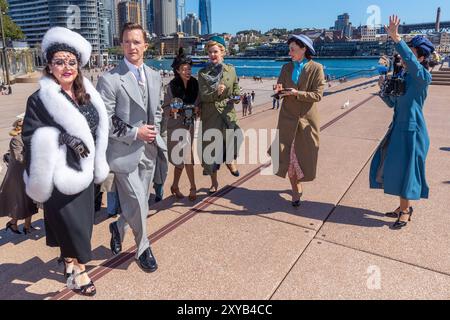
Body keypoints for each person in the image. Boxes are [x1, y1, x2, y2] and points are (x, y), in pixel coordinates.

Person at [22, 27, 110, 297]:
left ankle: (70, 262)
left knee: (83, 224)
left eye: (71, 62)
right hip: (60, 175)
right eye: (59, 62)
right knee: (71, 226)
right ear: (49, 65)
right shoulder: (39, 99)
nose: (66, 67)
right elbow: (29, 135)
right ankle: (79, 272)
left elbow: (100, 125)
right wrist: (63, 139)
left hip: (86, 172)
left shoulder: (88, 94)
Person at [96, 23, 167, 273]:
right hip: (123, 152)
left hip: (149, 149)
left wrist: (154, 132)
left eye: (136, 42)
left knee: (141, 203)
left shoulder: (156, 75)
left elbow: (157, 110)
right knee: (138, 201)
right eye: (127, 41)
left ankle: (118, 227)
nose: (131, 46)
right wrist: (135, 132)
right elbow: (103, 118)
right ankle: (143, 247)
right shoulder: (109, 79)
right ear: (121, 44)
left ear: (145, 45)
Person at [370, 16, 435, 230]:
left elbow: (412, 63)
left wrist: (396, 38)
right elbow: (392, 104)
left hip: (412, 131)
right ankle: (402, 206)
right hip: (398, 128)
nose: (402, 55)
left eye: (411, 51)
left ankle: (406, 210)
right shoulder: (405, 78)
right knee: (396, 168)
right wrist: (383, 88)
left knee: (407, 170)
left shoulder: (421, 76)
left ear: (421, 56)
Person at [269, 34, 325, 207]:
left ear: (304, 49)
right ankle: (295, 188)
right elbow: (279, 87)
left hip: (307, 121)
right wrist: (279, 91)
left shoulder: (316, 68)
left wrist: (296, 93)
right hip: (287, 118)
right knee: (289, 155)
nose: (290, 52)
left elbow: (317, 95)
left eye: (293, 49)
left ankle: (298, 184)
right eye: (289, 49)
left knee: (303, 155)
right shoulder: (286, 67)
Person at [198, 36, 242, 194]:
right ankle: (214, 182)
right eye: (210, 52)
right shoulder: (203, 73)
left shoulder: (231, 69)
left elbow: (236, 87)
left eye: (215, 51)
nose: (212, 55)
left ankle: (230, 160)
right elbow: (202, 95)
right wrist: (215, 92)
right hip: (210, 114)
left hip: (227, 112)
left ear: (223, 52)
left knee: (237, 136)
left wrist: (237, 96)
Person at [163, 48, 199, 202]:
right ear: (177, 70)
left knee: (186, 157)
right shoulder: (171, 86)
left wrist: (198, 108)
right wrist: (172, 110)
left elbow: (199, 103)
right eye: (184, 69)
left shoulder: (195, 84)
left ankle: (187, 187)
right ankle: (182, 187)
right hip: (175, 126)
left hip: (189, 125)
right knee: (181, 160)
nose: (187, 71)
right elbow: (165, 109)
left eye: (189, 68)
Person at [0, 116, 38, 235]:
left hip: (29, 172)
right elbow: (18, 158)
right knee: (21, 200)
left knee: (30, 199)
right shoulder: (16, 139)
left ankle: (25, 225)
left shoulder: (31, 137)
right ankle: (14, 223)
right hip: (18, 175)